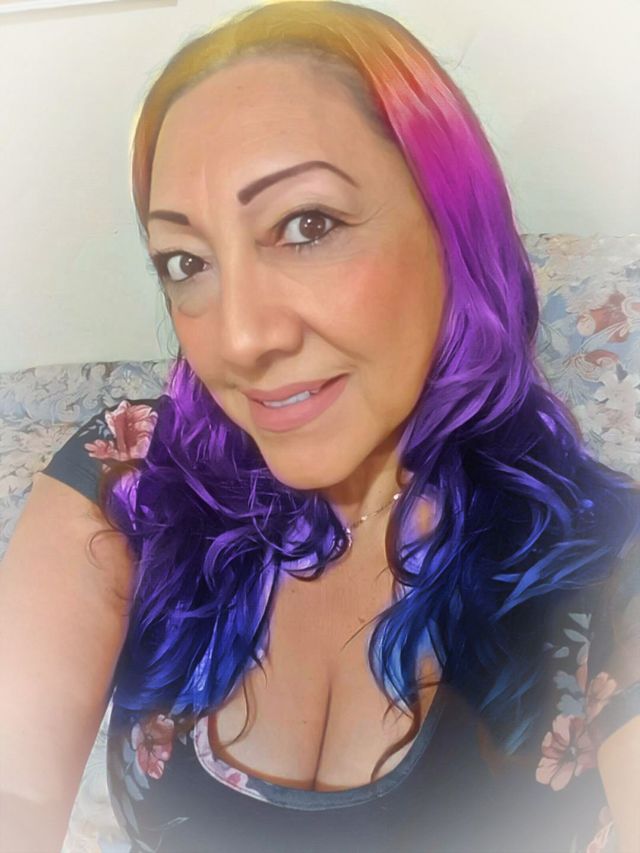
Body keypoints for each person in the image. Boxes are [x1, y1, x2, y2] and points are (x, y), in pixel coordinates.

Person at [1, 2, 639, 851]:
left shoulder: (605, 557)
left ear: (452, 228)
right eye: (186, 262)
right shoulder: (128, 477)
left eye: (308, 226)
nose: (239, 339)